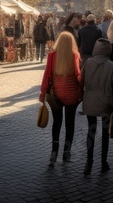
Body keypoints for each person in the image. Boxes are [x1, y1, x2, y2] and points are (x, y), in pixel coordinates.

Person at [82, 38, 113, 176]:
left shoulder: (88, 63)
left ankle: (89, 162)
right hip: (106, 103)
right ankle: (103, 162)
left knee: (91, 130)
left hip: (89, 101)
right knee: (105, 133)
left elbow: (80, 80)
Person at [39, 31, 82, 164]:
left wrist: (42, 94)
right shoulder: (74, 55)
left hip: (56, 94)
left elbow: (47, 76)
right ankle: (66, 153)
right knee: (70, 124)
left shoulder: (52, 56)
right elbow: (78, 75)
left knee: (56, 123)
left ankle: (54, 152)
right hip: (72, 94)